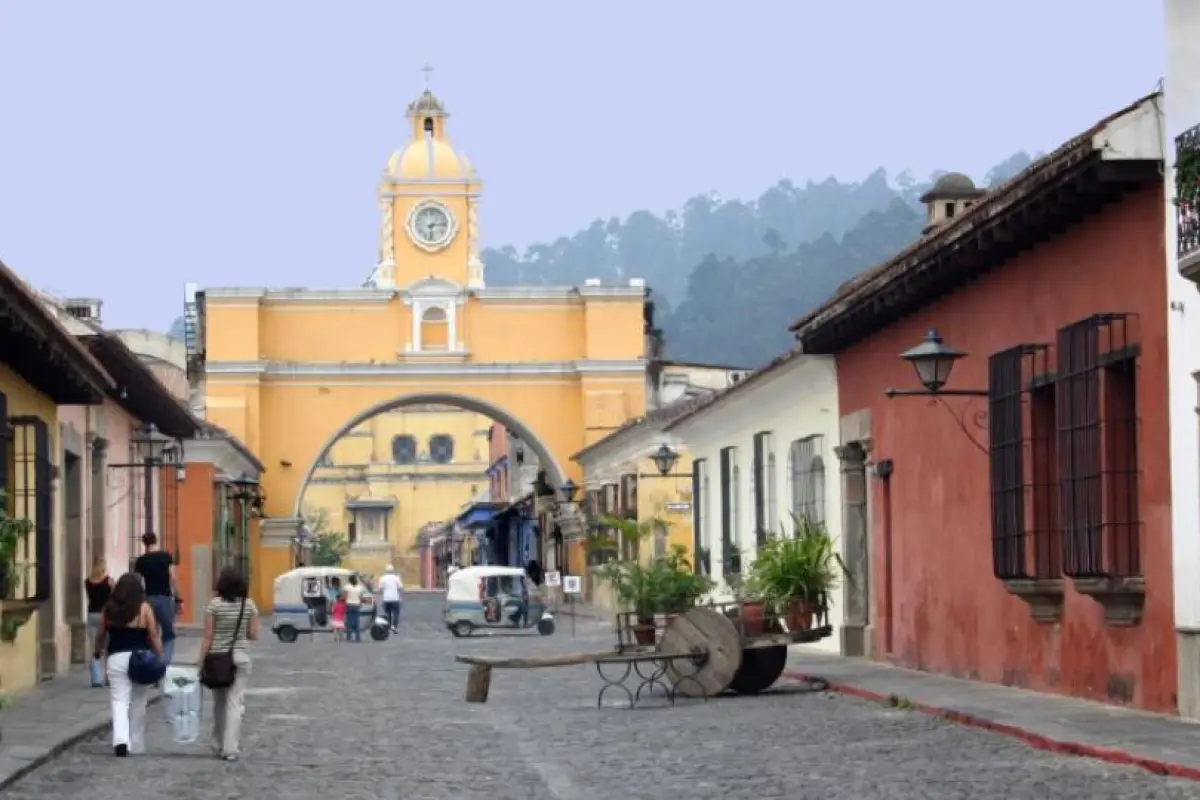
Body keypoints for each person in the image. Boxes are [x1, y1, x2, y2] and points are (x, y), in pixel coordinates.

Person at [93, 572, 163, 757]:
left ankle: (121, 740)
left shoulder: (109, 609)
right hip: (140, 658)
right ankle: (136, 741)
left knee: (119, 700)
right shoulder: (144, 608)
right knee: (139, 700)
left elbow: (101, 634)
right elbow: (153, 635)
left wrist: (97, 650)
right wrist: (159, 655)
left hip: (116, 658)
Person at [199, 565, 259, 761]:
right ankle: (230, 749)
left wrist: (200, 662)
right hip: (240, 657)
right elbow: (253, 634)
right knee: (235, 703)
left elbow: (208, 636)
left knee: (219, 703)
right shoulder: (249, 605)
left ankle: (217, 743)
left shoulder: (213, 605)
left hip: (218, 659)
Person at [133, 532, 179, 664]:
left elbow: (138, 582)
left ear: (144, 543)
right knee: (169, 634)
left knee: (152, 633)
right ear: (156, 541)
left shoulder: (141, 561)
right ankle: (165, 664)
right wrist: (177, 597)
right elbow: (173, 578)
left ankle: (153, 664)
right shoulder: (165, 557)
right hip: (164, 598)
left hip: (147, 600)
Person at [85, 561, 114, 688]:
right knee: (109, 648)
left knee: (95, 647)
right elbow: (115, 596)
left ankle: (96, 679)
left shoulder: (87, 582)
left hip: (92, 615)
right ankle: (109, 678)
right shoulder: (108, 581)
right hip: (106, 616)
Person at [377, 564, 403, 633]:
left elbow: (380, 589)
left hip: (386, 599)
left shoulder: (382, 578)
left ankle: (388, 627)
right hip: (395, 598)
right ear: (393, 570)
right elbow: (400, 588)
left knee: (387, 613)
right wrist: (400, 596)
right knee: (396, 613)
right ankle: (394, 626)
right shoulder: (396, 578)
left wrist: (383, 593)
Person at [341, 574, 364, 643]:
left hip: (349, 604)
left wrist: (343, 603)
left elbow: (345, 597)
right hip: (357, 605)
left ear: (349, 580)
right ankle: (358, 637)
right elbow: (361, 597)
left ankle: (349, 637)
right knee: (357, 621)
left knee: (349, 621)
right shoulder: (360, 588)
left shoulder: (347, 587)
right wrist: (360, 604)